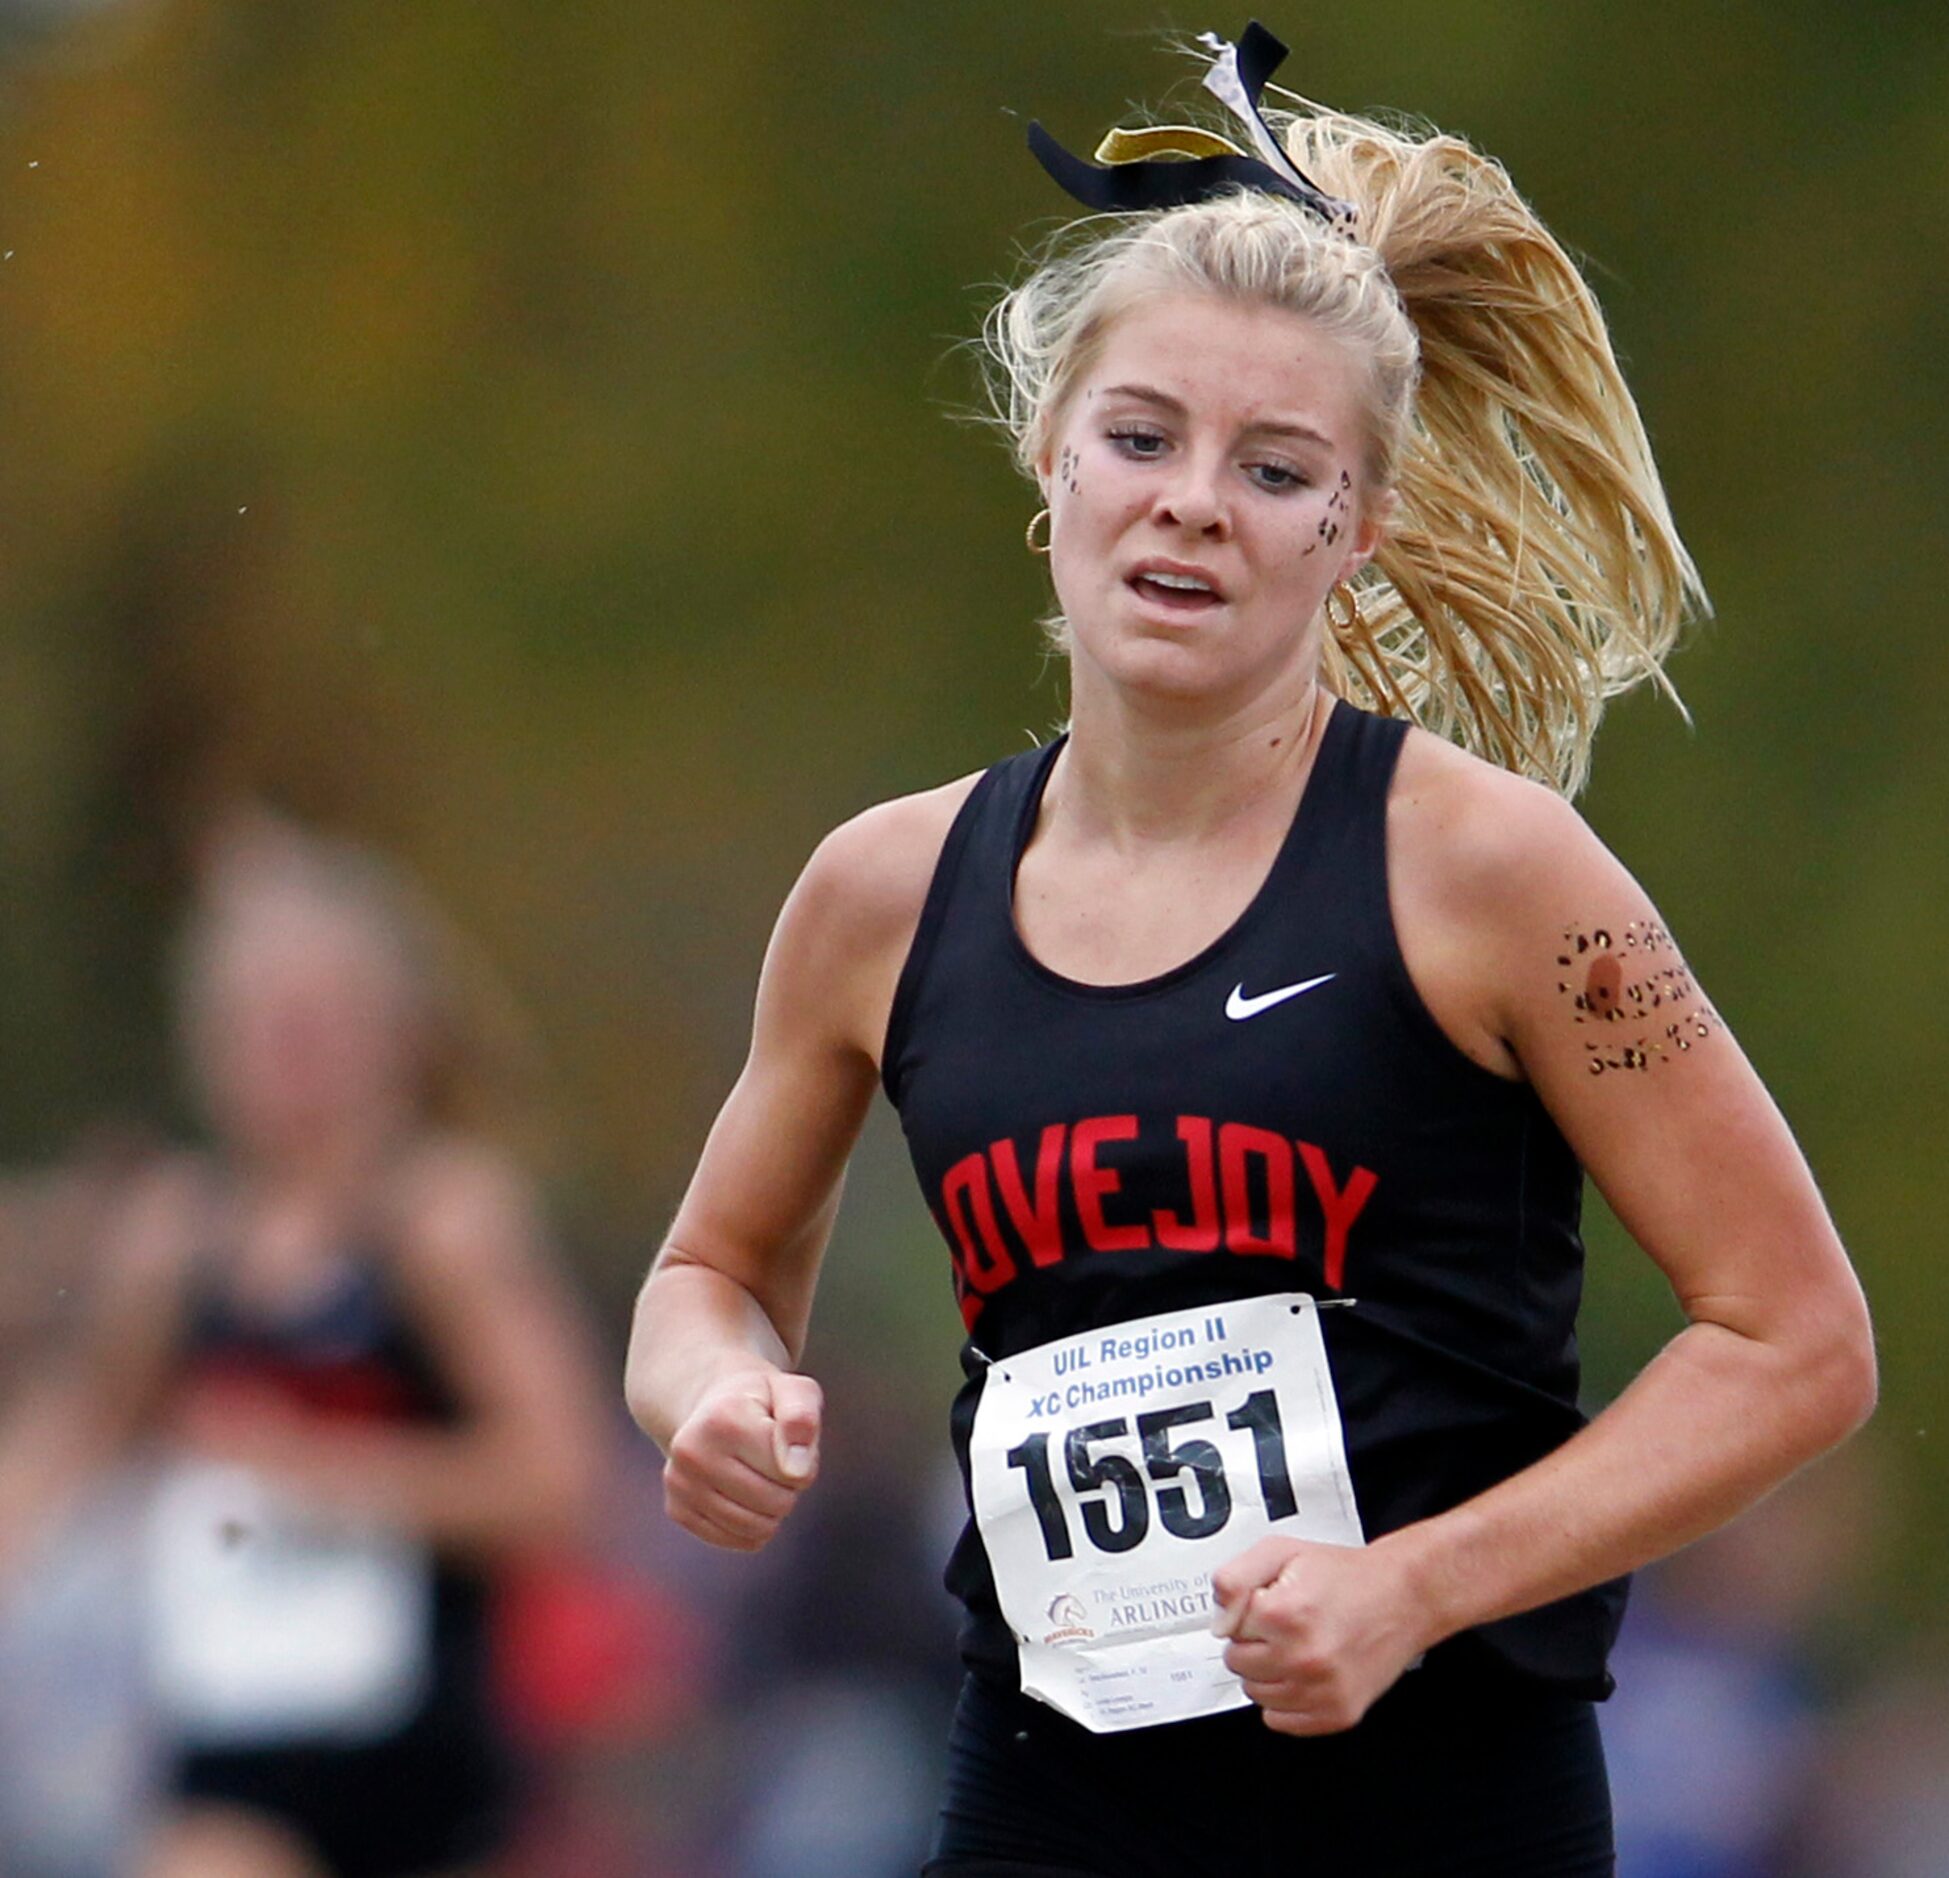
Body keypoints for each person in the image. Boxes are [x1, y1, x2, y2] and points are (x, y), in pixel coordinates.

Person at [623, 24, 1875, 1877]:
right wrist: (710, 1393)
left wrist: (1407, 1586)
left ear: (1350, 531)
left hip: (1432, 1803)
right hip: (1045, 1794)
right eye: (1139, 438)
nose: (1191, 499)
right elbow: (707, 1272)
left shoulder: (1489, 872)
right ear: (1050, 458)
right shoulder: (881, 893)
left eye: (1273, 468)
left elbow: (1793, 1343)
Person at [0, 815, 610, 1878]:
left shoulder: (440, 1224)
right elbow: (68, 1442)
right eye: (261, 1028)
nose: (288, 1061)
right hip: (230, 1751)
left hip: (429, 1761)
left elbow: (562, 1488)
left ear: (395, 1036)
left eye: (316, 1026)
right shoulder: (177, 1240)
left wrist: (318, 1473)